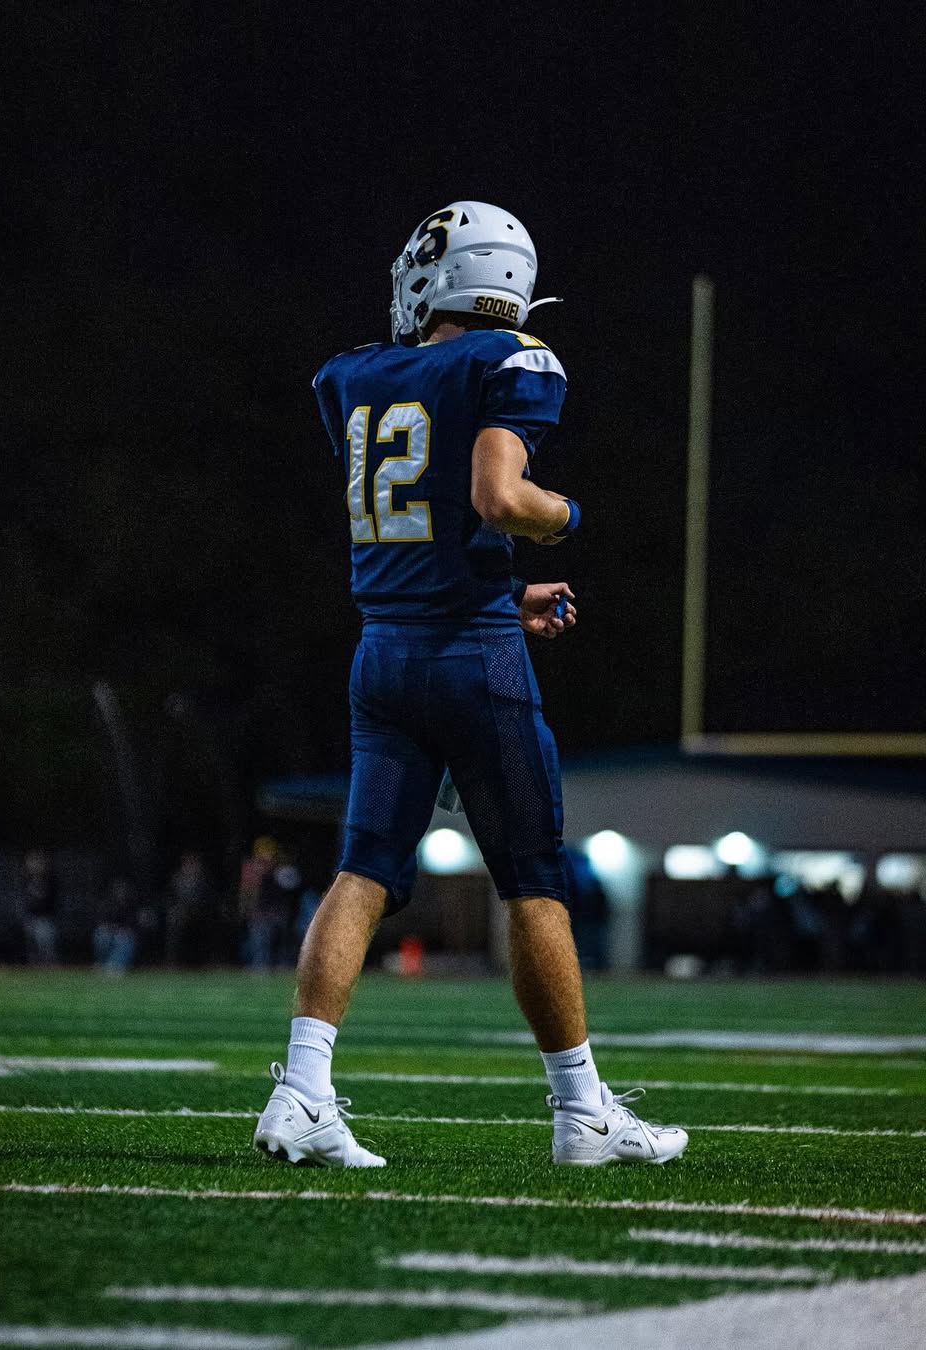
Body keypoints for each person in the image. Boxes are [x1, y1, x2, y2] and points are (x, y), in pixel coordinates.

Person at [255, 201, 687, 1168]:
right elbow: (497, 496)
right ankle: (581, 1113)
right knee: (533, 881)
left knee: (364, 870)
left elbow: (425, 519)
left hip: (383, 654)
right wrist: (565, 515)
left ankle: (302, 1091)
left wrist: (501, 588)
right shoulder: (514, 360)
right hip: (471, 658)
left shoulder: (354, 373)